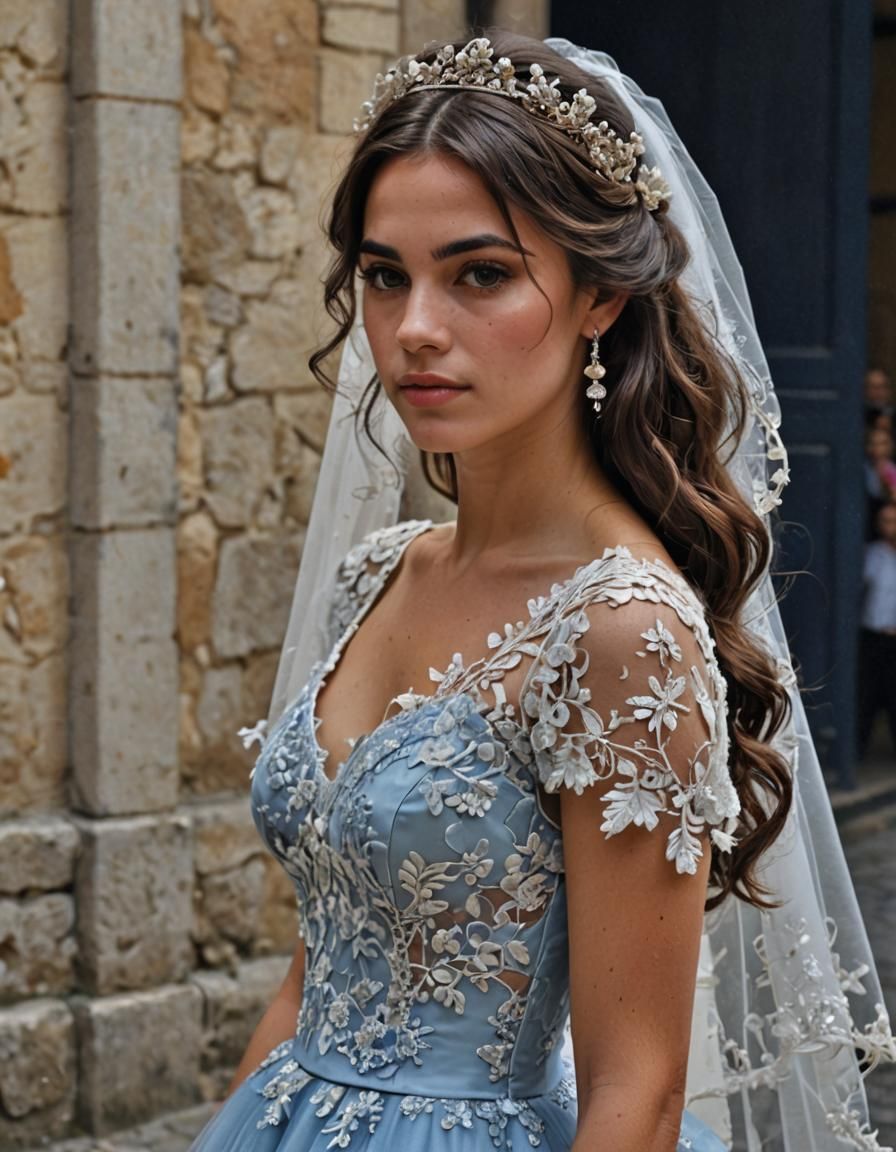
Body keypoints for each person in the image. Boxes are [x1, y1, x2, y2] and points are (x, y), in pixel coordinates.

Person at [187, 33, 894, 1152]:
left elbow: (640, 1091)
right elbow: (313, 968)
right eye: (384, 276)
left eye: (479, 274)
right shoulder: (386, 573)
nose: (414, 328)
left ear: (600, 296)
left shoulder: (619, 631)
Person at [857, 503, 896, 758]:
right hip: (874, 635)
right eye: (885, 521)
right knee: (867, 695)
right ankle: (857, 751)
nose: (890, 527)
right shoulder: (871, 555)